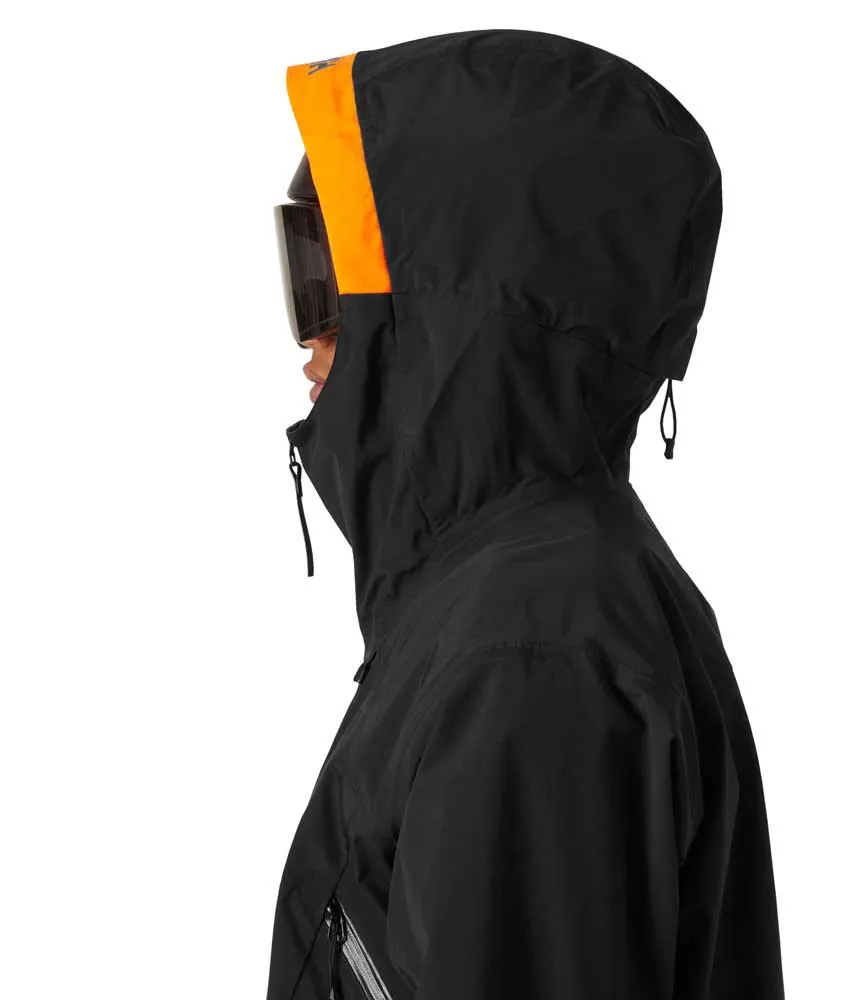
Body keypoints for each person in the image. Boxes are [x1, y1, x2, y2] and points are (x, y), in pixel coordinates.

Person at [268, 28, 784, 1000]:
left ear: (449, 309)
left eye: (333, 285)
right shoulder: (511, 600)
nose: (309, 337)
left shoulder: (528, 650)